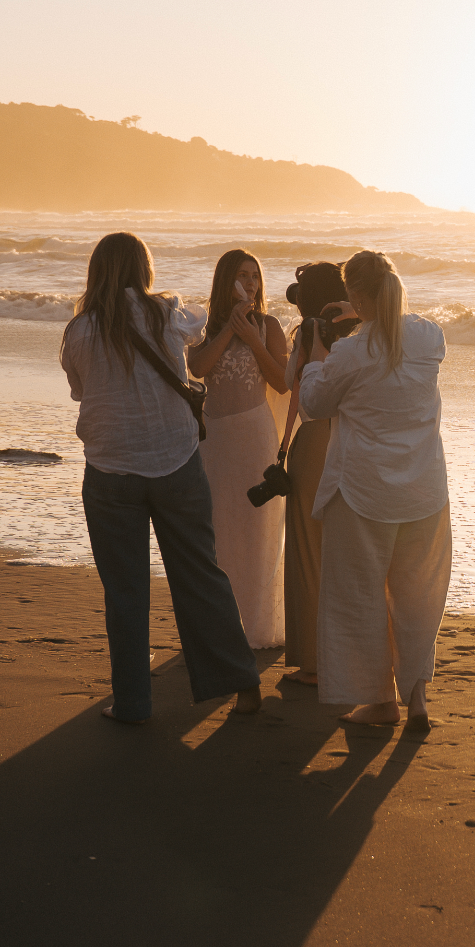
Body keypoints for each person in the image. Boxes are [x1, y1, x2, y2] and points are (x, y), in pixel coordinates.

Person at [60, 231, 261, 724]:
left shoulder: (80, 331)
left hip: (110, 470)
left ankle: (133, 703)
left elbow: (79, 389)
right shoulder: (168, 314)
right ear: (144, 270)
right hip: (176, 461)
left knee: (125, 590)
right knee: (201, 575)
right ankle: (241, 685)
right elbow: (198, 328)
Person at [299, 250, 451, 734]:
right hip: (424, 487)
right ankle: (418, 697)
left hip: (363, 490)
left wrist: (316, 358)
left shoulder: (348, 353)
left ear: (356, 297)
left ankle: (379, 700)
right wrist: (362, 317)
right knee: (416, 595)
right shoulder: (429, 338)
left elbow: (313, 405)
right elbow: (393, 332)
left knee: (358, 595)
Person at [187, 249, 290, 648]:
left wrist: (252, 337)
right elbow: (198, 368)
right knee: (216, 529)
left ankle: (258, 628)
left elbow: (282, 382)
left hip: (254, 436)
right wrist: (230, 329)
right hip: (215, 440)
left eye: (255, 277)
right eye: (242, 276)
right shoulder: (204, 327)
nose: (251, 284)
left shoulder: (269, 325)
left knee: (256, 529)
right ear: (225, 281)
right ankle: (218, 625)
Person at [280, 262, 348, 686]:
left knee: (308, 553)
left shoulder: (309, 331)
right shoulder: (360, 332)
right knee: (346, 554)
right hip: (352, 441)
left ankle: (313, 661)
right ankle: (351, 658)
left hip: (314, 441)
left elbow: (291, 383)